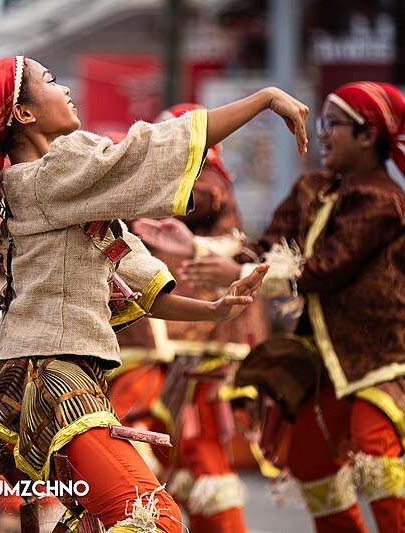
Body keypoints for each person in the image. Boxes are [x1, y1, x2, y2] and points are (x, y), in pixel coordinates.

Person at [0, 55, 307, 532]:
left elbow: (135, 277)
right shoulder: (51, 175)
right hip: (54, 381)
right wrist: (263, 99)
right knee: (151, 517)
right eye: (52, 79)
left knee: (103, 518)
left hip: (51, 374)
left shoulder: (61, 189)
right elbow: (146, 150)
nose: (65, 89)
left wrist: (214, 309)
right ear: (23, 114)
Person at [137, 81, 405, 533]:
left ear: (367, 135)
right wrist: (197, 248)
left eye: (330, 124)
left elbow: (325, 269)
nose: (321, 134)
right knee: (311, 459)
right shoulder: (311, 188)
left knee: (377, 454)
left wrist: (233, 274)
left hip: (383, 351)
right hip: (327, 352)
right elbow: (265, 247)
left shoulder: (383, 201)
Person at [109, 103, 271, 533]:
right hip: (172, 341)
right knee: (177, 457)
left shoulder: (206, 181)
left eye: (166, 136)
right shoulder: (174, 183)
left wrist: (107, 184)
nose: (158, 146)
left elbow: (195, 203)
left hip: (202, 345)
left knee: (198, 454)